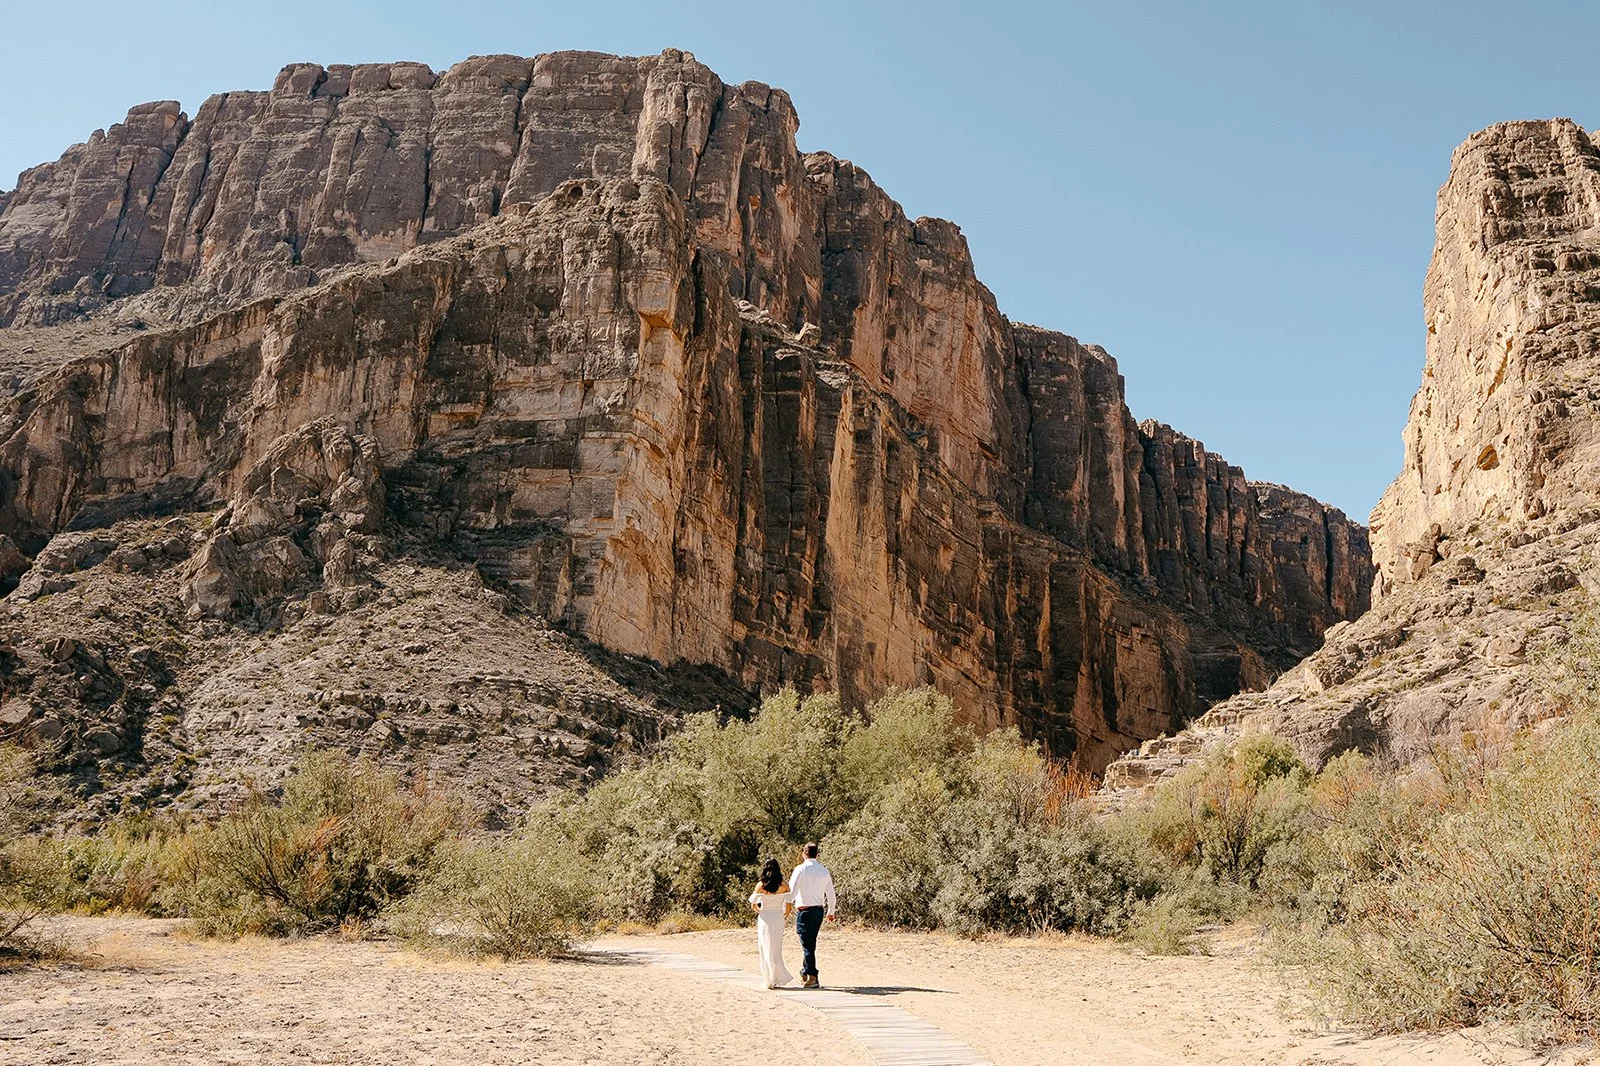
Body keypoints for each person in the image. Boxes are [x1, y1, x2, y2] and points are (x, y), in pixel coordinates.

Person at [787, 841, 837, 989]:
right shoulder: (823, 870)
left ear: (804, 854)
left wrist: (785, 903)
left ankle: (812, 976)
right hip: (819, 910)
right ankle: (804, 971)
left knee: (807, 944)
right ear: (817, 854)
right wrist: (831, 911)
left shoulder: (800, 869)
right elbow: (831, 893)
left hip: (805, 911)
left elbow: (792, 892)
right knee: (810, 942)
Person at [748, 858, 794, 988]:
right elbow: (789, 906)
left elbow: (753, 905)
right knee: (776, 948)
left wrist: (762, 911)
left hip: (765, 917)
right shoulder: (784, 884)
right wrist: (784, 915)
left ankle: (768, 979)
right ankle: (776, 977)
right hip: (778, 916)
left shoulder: (761, 885)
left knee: (765, 947)